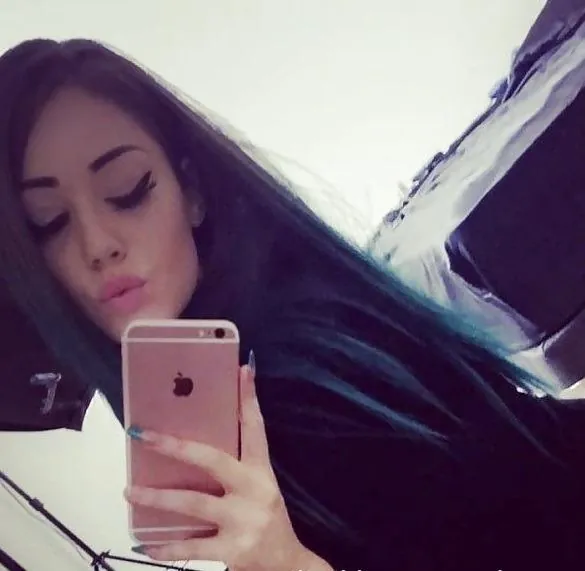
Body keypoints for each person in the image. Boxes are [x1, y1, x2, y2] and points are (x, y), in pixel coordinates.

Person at [0, 38, 584, 571]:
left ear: (193, 193)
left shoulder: (295, 383)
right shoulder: (285, 325)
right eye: (48, 223)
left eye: (127, 190)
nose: (97, 245)